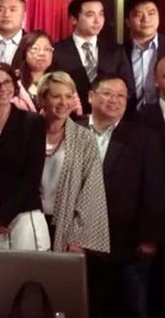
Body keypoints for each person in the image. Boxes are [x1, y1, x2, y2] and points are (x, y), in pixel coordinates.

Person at [83, 73, 165, 318]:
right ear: (90, 96)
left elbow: (154, 189)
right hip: (79, 242)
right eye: (107, 93)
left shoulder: (143, 137)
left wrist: (149, 236)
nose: (115, 100)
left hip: (126, 244)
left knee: (130, 308)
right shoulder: (72, 129)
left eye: (121, 96)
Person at [0, 61, 49, 251]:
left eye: (7, 82)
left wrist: (1, 216)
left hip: (22, 217)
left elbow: (32, 176)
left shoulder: (33, 123)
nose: (2, 88)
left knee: (25, 279)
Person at [35, 71, 110, 253]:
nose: (64, 103)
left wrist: (78, 237)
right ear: (42, 99)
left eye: (69, 96)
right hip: (28, 220)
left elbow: (91, 192)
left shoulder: (84, 139)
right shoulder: (25, 131)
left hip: (64, 223)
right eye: (56, 96)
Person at [139, 54, 165, 318]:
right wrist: (147, 232)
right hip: (163, 227)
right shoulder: (142, 119)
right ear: (155, 81)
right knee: (164, 296)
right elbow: (139, 180)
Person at [53, 0, 134, 114]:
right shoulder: (57, 51)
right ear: (73, 19)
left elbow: (129, 89)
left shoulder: (116, 51)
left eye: (101, 14)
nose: (97, 20)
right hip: (71, 119)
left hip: (110, 118)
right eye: (90, 15)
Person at [124, 0, 165, 109]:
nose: (146, 19)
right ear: (128, 21)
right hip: (130, 119)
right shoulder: (117, 53)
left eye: (151, 13)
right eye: (138, 14)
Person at [10, 30, 84, 115]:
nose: (42, 53)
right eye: (35, 49)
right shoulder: (13, 83)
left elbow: (77, 112)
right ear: (24, 52)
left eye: (47, 49)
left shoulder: (63, 81)